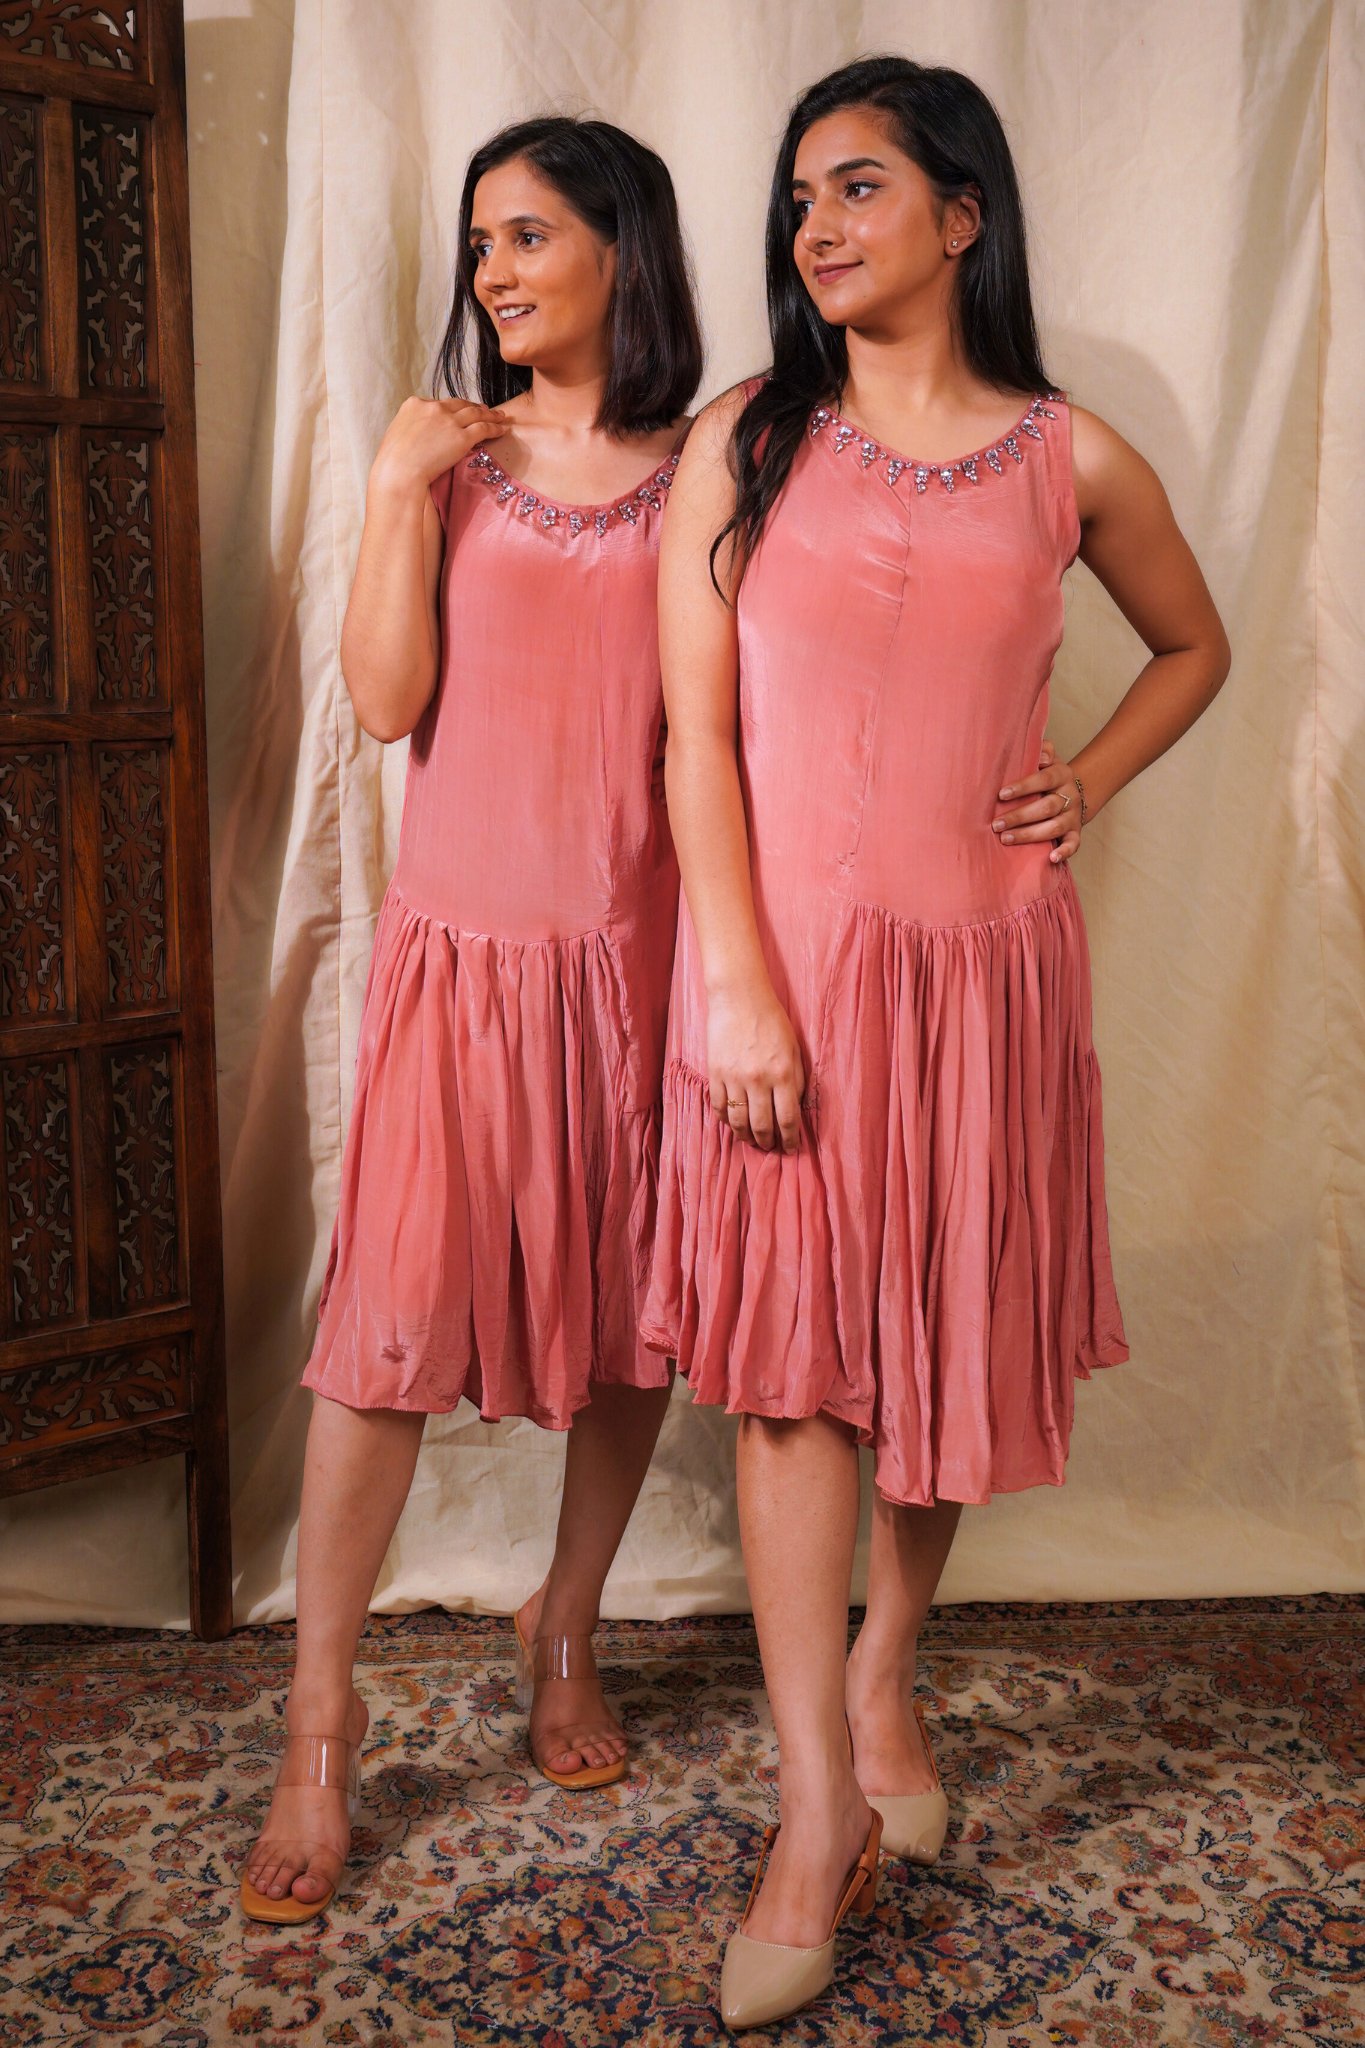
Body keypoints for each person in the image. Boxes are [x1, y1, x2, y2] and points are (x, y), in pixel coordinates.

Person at [642, 54, 1230, 2029]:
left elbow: (1196, 644)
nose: (815, 221)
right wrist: (735, 979)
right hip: (791, 977)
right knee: (797, 1375)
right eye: (800, 191)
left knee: (936, 1349)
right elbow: (694, 738)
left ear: (962, 217)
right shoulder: (743, 441)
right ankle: (816, 1805)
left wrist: (1089, 776)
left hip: (988, 976)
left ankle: (889, 1664)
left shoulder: (1069, 458)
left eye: (861, 185)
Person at [241, 114, 702, 1925]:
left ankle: (563, 1623)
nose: (494, 271)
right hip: (460, 963)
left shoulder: (708, 468)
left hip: (638, 960)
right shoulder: (450, 454)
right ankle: (321, 1718)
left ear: (620, 246)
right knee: (383, 1338)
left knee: (634, 1317)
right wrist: (388, 487)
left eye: (529, 235)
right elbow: (382, 698)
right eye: (481, 242)